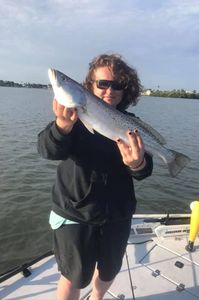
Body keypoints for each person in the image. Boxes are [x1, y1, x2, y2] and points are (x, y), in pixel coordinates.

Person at [37, 53, 153, 300]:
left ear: (126, 90)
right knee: (74, 276)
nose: (109, 90)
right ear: (88, 86)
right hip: (74, 212)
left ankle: (97, 298)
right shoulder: (71, 119)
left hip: (117, 215)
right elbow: (47, 151)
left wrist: (138, 163)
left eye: (117, 85)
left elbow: (145, 170)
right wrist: (61, 127)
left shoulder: (132, 124)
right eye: (103, 84)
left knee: (110, 270)